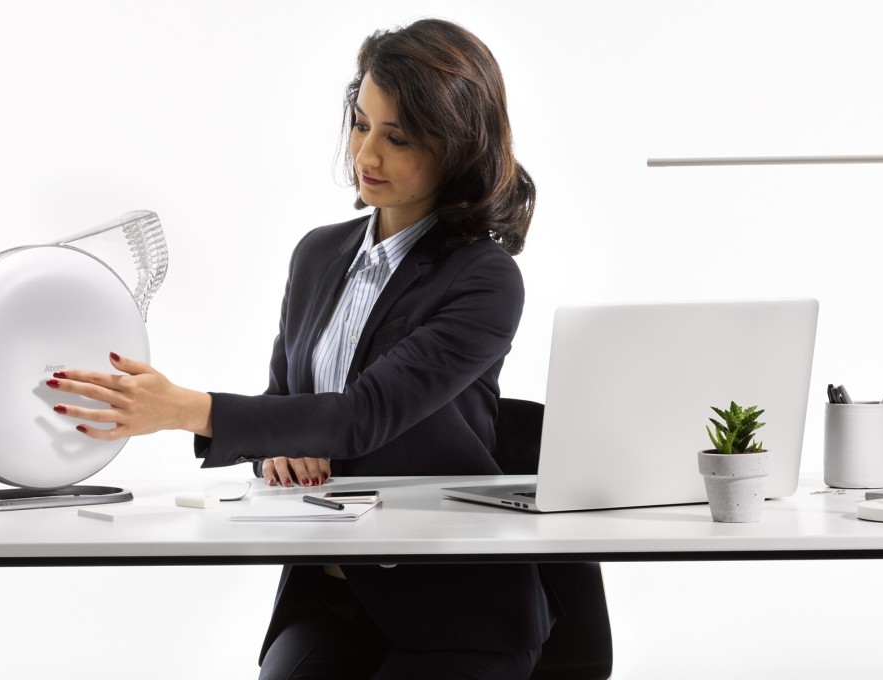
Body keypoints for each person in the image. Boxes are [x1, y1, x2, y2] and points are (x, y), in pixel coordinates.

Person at [48, 18, 552, 679]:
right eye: (360, 123)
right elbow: (286, 406)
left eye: (397, 138)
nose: (366, 154)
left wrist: (184, 409)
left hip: (453, 610)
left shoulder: (484, 278)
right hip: (330, 594)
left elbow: (363, 416)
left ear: (455, 149)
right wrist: (276, 451)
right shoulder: (318, 255)